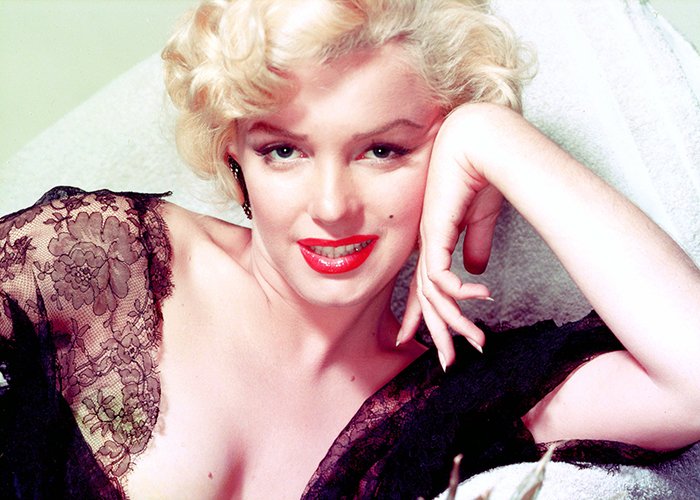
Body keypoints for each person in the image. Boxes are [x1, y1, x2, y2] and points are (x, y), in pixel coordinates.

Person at [1, 0, 699, 498]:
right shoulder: (104, 263)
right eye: (283, 151)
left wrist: (492, 135)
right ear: (233, 154)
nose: (333, 207)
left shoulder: (454, 401)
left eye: (383, 150)